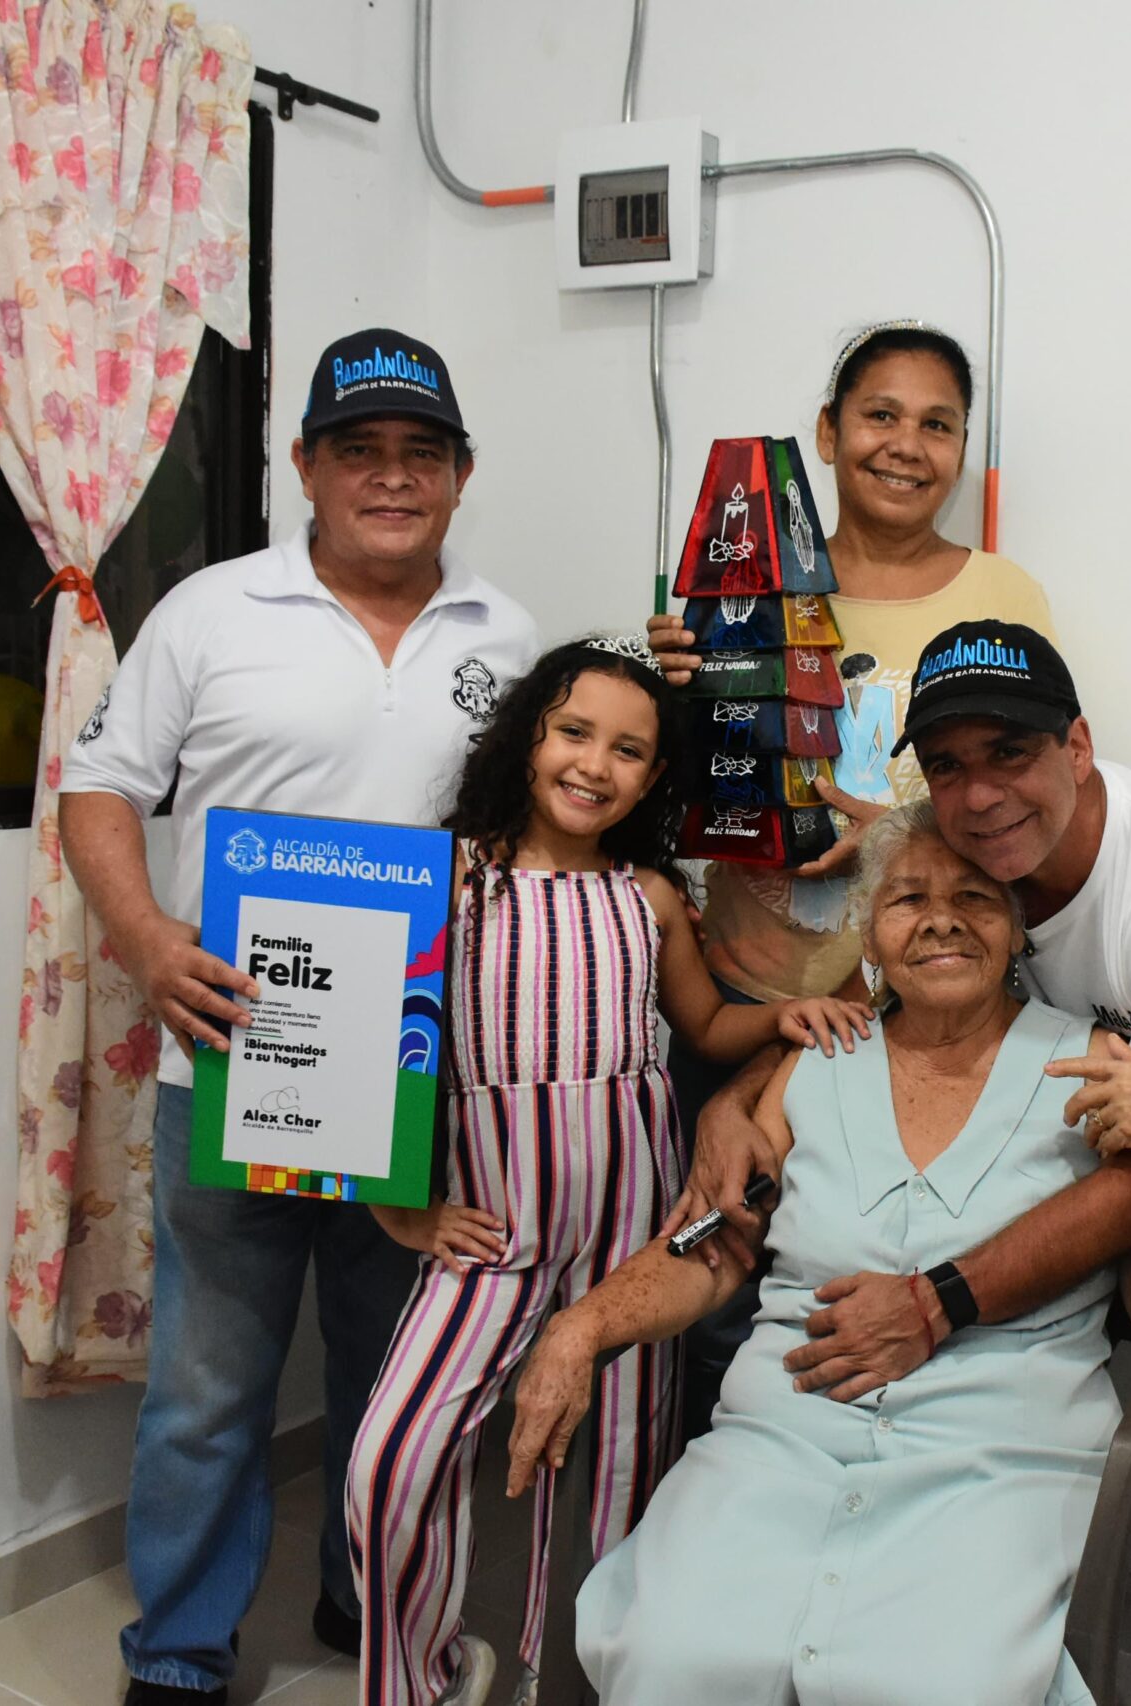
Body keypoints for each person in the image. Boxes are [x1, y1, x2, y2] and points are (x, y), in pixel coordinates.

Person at [679, 621, 1131, 1706]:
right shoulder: (968, 848)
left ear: (1077, 745)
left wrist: (934, 1298)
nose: (978, 797)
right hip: (1128, 1114)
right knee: (1011, 1362)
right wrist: (734, 1108)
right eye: (949, 766)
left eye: (1009, 754)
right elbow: (885, 993)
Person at [504, 805, 1131, 1705]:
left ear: (1014, 930)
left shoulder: (1096, 1071)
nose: (940, 918)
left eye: (974, 896)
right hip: (783, 1442)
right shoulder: (816, 1061)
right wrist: (581, 1328)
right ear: (869, 936)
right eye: (906, 900)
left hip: (996, 1458)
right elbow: (711, 1250)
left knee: (930, 1685)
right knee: (671, 1657)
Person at [59, 329, 540, 1705]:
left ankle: (361, 1599)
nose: (393, 480)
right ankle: (180, 1649)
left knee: (392, 1371)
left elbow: (542, 822)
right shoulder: (212, 611)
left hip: (413, 1074)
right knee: (210, 1388)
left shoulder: (505, 634)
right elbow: (98, 792)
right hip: (233, 1060)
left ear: (459, 473)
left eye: (422, 455)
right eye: (362, 453)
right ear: (308, 466)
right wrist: (149, 940)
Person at [344, 636, 875, 1706]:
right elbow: (362, 1044)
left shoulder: (650, 894)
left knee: (624, 1480)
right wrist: (396, 1208)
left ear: (653, 775)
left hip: (636, 1234)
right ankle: (426, 1677)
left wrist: (787, 1013)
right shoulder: (449, 875)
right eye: (574, 732)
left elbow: (708, 1025)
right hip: (492, 1234)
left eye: (629, 749)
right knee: (391, 1466)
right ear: (527, 735)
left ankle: (596, 1680)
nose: (596, 764)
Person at [647, 320, 1059, 1428]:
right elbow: (662, 782)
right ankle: (700, 1533)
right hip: (740, 1001)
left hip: (900, 1013)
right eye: (881, 414)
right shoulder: (747, 584)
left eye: (938, 424)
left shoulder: (1001, 592)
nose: (907, 444)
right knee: (711, 1282)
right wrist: (672, 683)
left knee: (856, 1295)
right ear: (827, 433)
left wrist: (892, 831)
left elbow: (1040, 791)